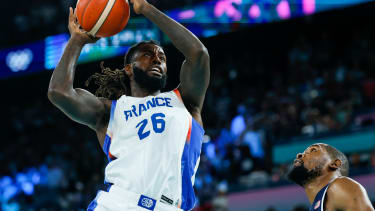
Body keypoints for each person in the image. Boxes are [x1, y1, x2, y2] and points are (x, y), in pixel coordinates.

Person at [47, 0, 210, 210]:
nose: (156, 60)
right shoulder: (109, 111)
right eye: (147, 55)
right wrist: (77, 41)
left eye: (161, 57)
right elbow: (58, 92)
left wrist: (146, 9)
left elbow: (198, 54)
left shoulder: (186, 101)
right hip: (118, 203)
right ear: (129, 69)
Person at [287, 143, 374, 211]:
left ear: (334, 164)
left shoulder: (339, 186)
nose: (299, 154)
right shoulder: (319, 203)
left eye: (313, 150)